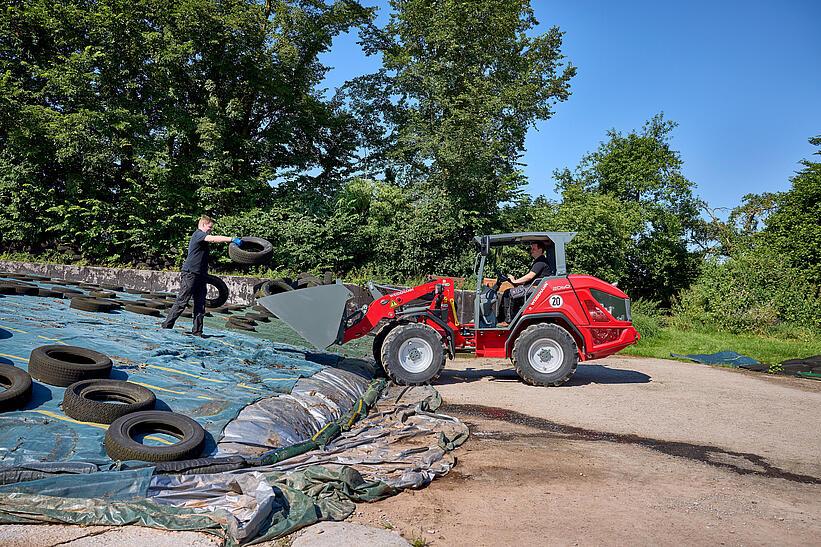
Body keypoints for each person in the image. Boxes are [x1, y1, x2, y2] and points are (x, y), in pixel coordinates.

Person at [162, 216, 242, 337]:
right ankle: (166, 326)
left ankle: (197, 332)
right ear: (203, 225)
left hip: (201, 275)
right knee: (182, 301)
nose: (211, 230)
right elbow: (213, 239)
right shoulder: (198, 234)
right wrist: (231, 239)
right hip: (190, 273)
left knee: (200, 304)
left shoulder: (202, 237)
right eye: (210, 227)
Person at [499, 241, 555, 325]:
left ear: (540, 250)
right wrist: (516, 282)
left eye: (534, 249)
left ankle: (508, 321)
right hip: (534, 288)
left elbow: (530, 276)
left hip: (536, 289)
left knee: (508, 293)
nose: (531, 251)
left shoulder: (541, 262)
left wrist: (515, 281)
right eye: (531, 248)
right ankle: (506, 318)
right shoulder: (539, 261)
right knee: (512, 293)